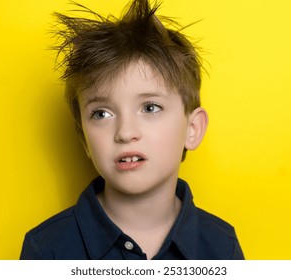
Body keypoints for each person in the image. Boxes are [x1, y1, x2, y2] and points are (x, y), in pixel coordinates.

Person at [20, 0, 244, 260]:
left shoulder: (221, 246)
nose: (125, 132)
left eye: (150, 108)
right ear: (84, 139)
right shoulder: (47, 248)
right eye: (101, 114)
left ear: (192, 129)